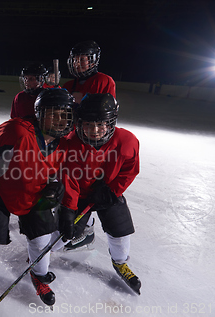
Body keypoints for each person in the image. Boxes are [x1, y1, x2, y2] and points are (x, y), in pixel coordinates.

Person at [0, 88, 80, 306]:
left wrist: (56, 186)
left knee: (41, 239)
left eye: (64, 114)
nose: (60, 120)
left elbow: (62, 172)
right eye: (53, 113)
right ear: (39, 113)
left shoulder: (65, 143)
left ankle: (39, 275)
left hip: (36, 192)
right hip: (2, 186)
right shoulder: (17, 130)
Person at [63, 93, 141, 294]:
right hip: (80, 196)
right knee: (64, 231)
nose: (94, 130)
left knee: (120, 230)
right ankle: (44, 255)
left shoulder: (127, 141)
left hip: (108, 194)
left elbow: (130, 170)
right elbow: (69, 179)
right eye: (88, 124)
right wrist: (69, 208)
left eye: (101, 124)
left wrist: (113, 191)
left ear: (111, 123)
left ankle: (120, 262)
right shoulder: (70, 142)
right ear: (79, 123)